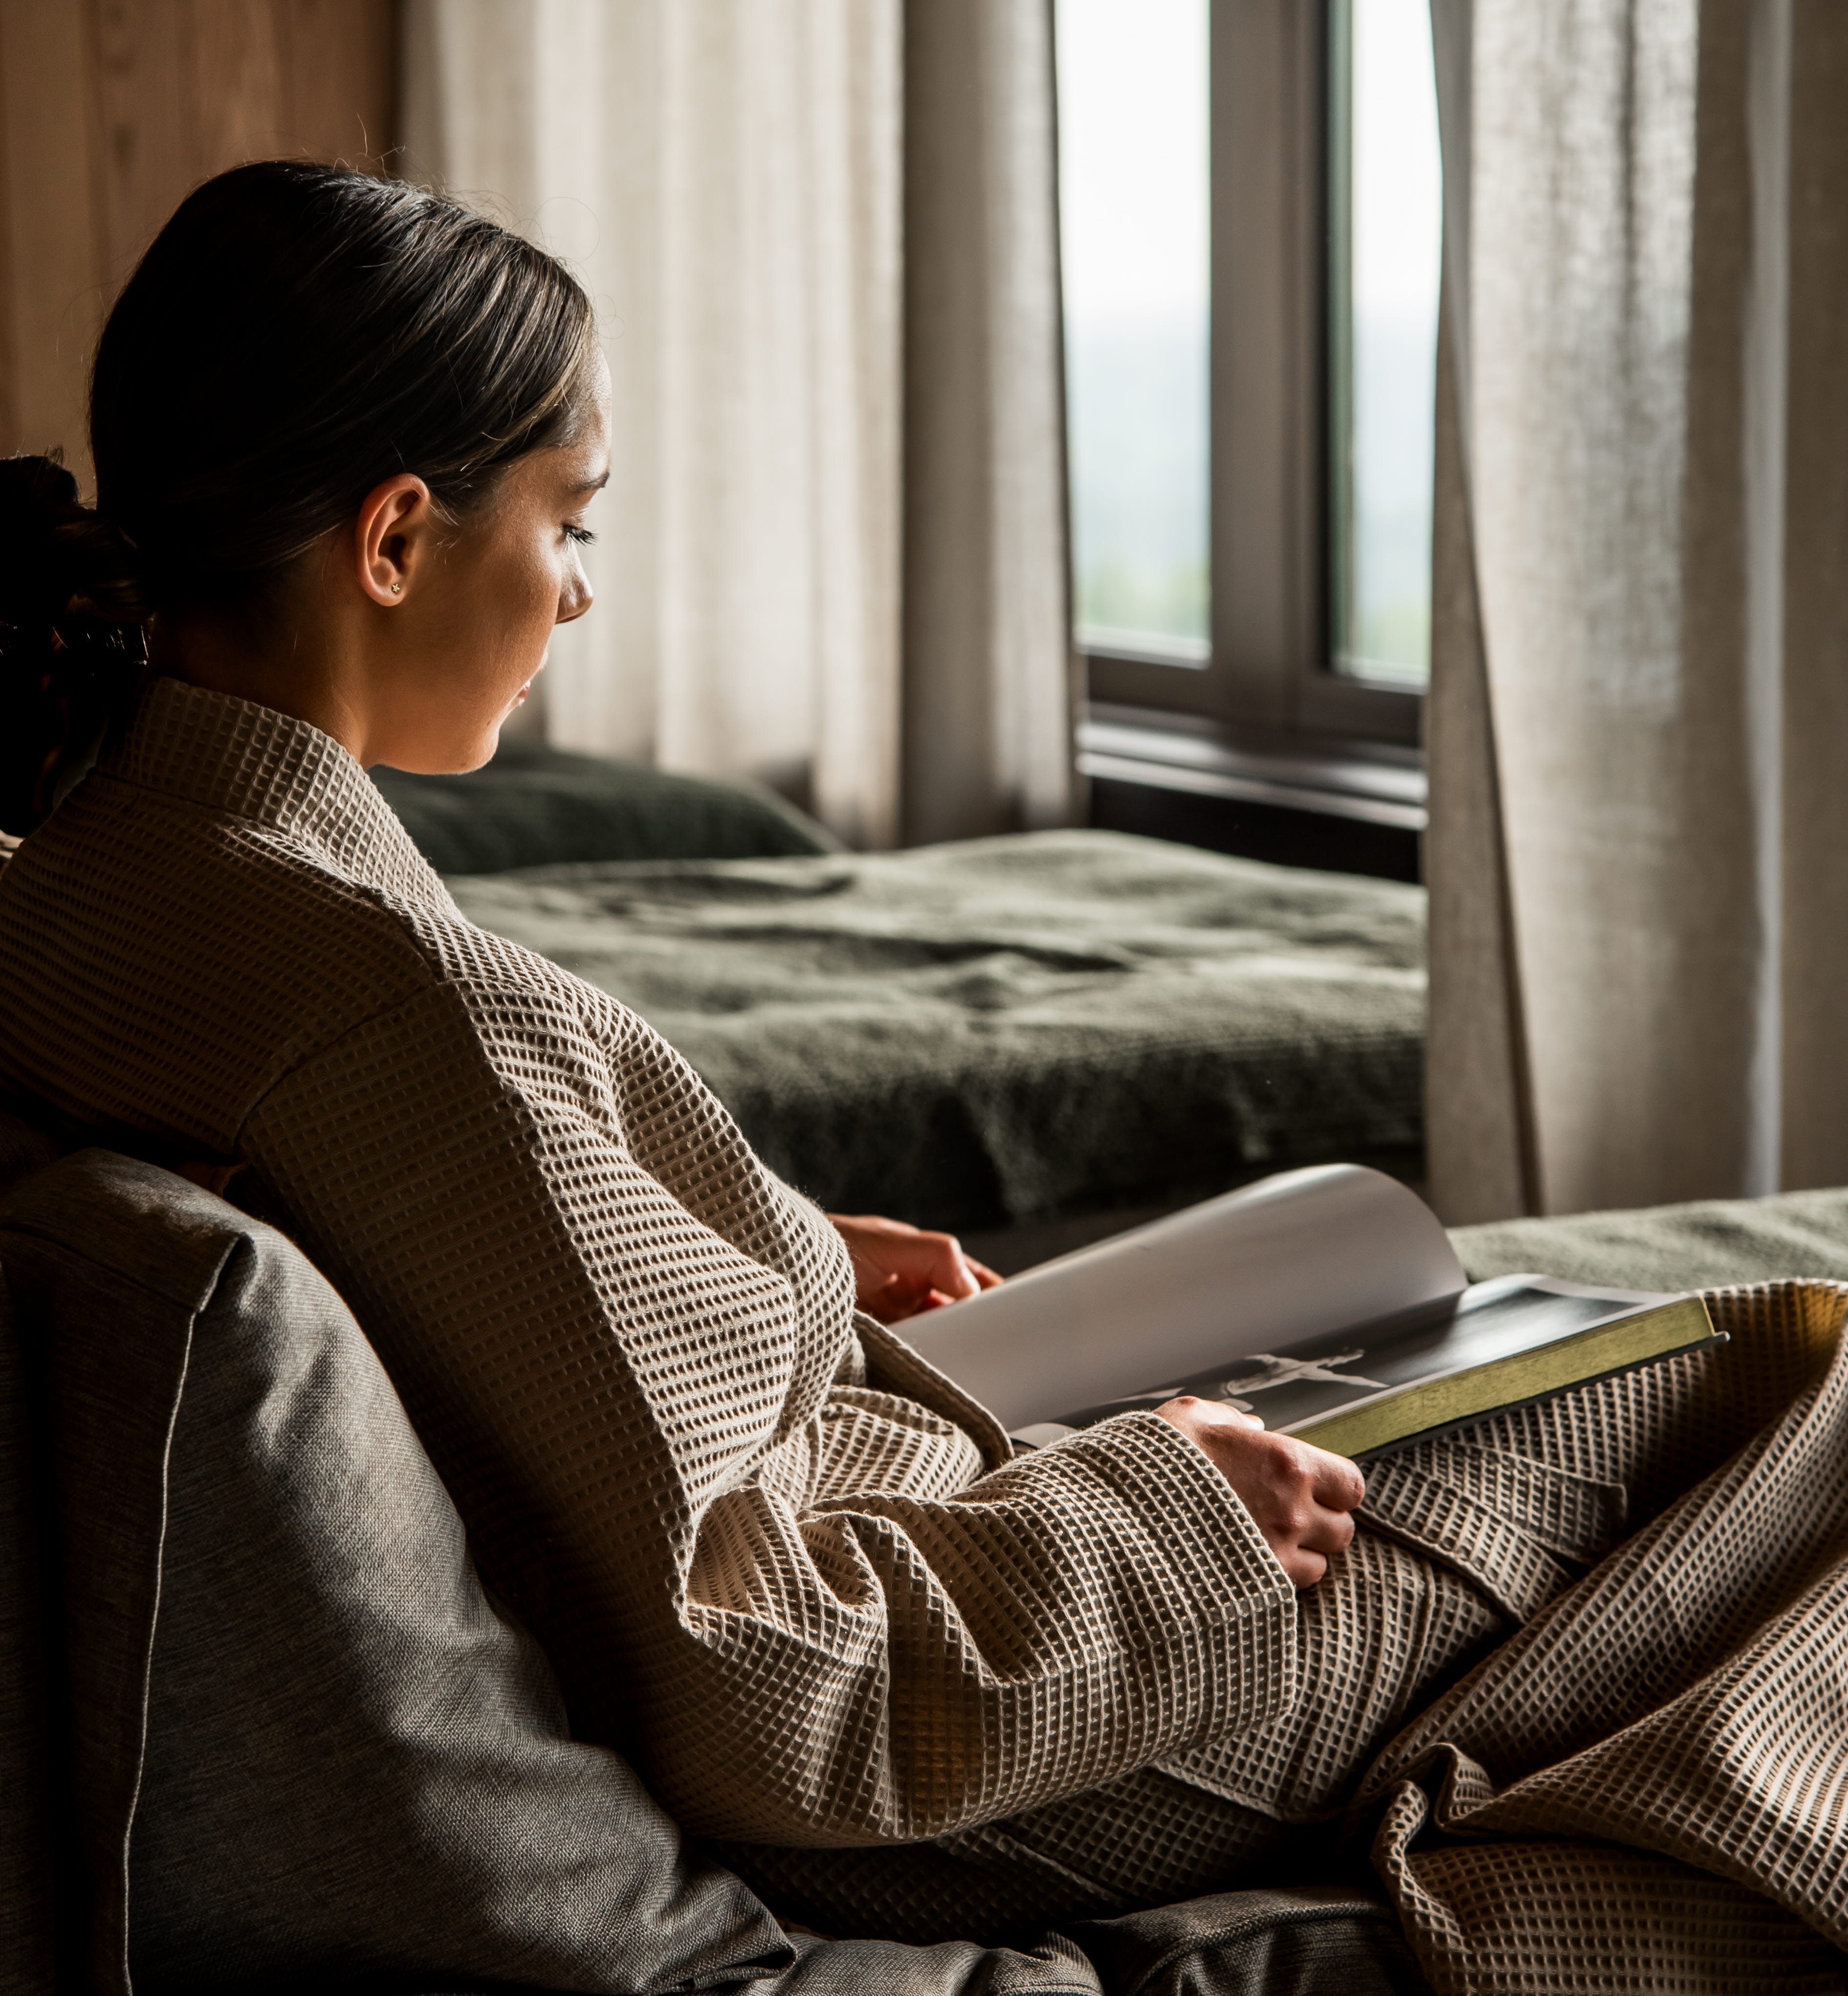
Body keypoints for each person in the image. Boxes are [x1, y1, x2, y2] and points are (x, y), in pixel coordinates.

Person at [0, 163, 1640, 1945]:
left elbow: (467, 1279)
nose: (576, 599)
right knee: (1743, 1399)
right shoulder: (403, 1015)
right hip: (953, 1761)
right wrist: (1174, 1508)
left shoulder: (87, 887)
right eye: (573, 524)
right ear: (394, 541)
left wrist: (731, 1257)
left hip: (897, 1536)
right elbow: (773, 1689)